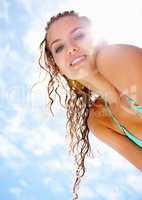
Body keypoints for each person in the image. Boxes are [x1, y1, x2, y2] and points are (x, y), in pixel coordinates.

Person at [38, 10, 142, 200]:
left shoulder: (115, 57)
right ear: (56, 66)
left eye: (79, 35)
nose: (70, 48)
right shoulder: (98, 120)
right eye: (59, 48)